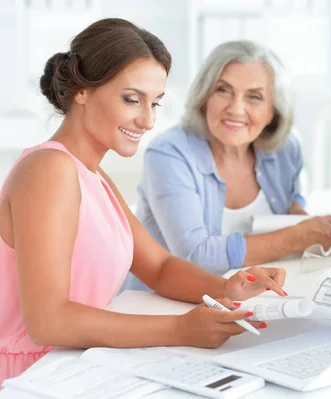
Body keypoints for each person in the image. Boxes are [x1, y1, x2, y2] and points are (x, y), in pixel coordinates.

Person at [0, 19, 287, 384]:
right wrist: (180, 330)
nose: (148, 119)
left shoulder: (91, 174)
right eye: (132, 99)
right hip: (31, 379)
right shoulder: (49, 171)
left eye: (156, 103)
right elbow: (48, 322)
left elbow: (160, 267)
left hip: (77, 365)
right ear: (82, 92)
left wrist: (228, 286)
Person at [122, 40, 331, 291]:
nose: (236, 108)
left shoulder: (286, 148)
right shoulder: (169, 154)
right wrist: (296, 237)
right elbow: (194, 257)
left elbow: (294, 197)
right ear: (205, 96)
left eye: (254, 96)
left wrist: (296, 210)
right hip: (164, 305)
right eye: (223, 90)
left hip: (250, 296)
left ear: (273, 110)